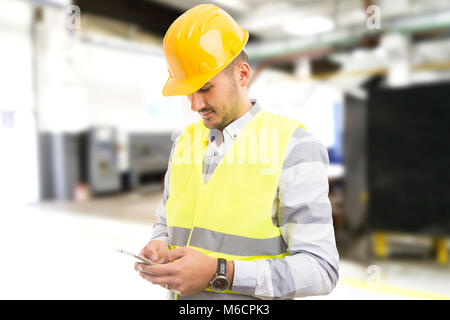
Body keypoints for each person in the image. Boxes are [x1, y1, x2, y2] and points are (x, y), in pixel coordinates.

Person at [135, 4, 339, 300]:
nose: (195, 105)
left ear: (242, 75)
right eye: (188, 91)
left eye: (205, 88)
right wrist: (160, 244)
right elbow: (164, 222)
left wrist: (219, 273)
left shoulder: (295, 146)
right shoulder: (184, 142)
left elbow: (321, 270)